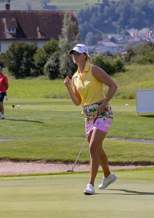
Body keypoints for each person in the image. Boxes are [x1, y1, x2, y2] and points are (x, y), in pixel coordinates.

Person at [64, 44, 118, 195]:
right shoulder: (74, 77)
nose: (75, 56)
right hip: (88, 117)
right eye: (73, 54)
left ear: (85, 56)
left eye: (78, 53)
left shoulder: (94, 70)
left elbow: (113, 86)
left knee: (93, 146)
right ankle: (108, 176)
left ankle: (90, 184)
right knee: (97, 148)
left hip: (103, 113)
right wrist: (68, 87)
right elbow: (77, 102)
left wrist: (105, 102)